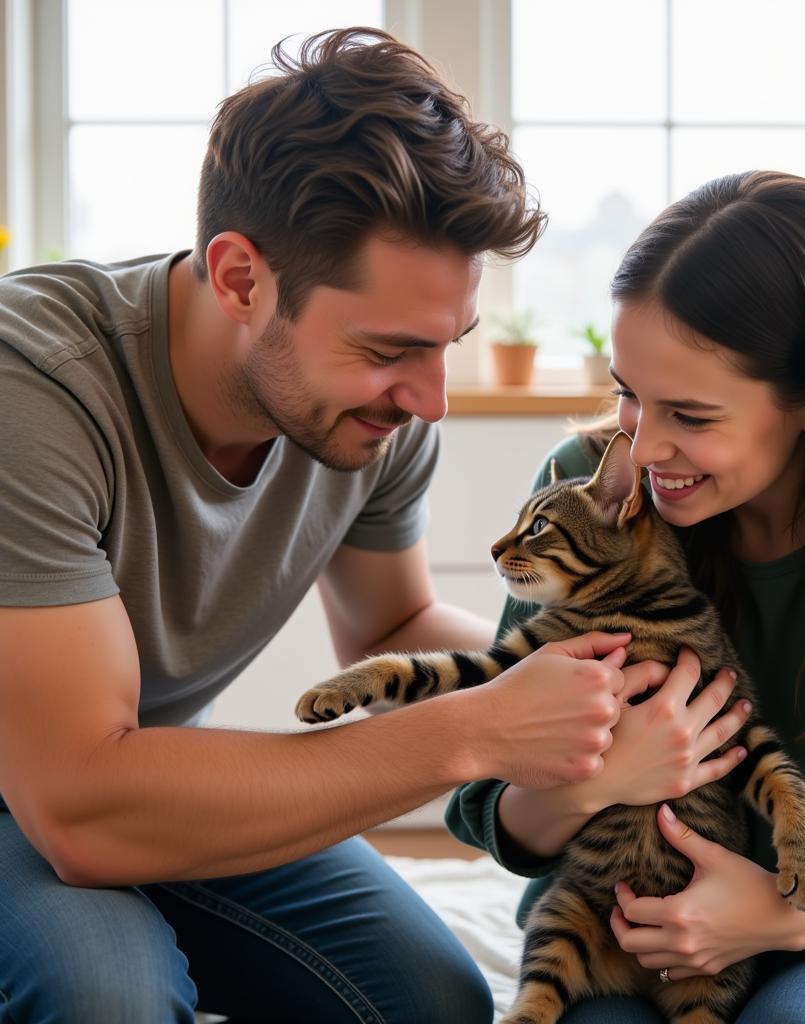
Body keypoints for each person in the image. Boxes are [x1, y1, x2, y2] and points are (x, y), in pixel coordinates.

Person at [0, 28, 666, 1023]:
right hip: (59, 786)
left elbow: (391, 630)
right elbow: (83, 806)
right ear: (239, 279)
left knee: (431, 1002)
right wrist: (476, 731)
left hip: (125, 763)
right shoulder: (35, 387)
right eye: (390, 348)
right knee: (110, 998)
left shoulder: (376, 411)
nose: (432, 398)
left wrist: (591, 679)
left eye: (449, 345)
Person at [449, 171, 805, 1023]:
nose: (643, 448)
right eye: (627, 394)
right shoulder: (585, 494)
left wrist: (790, 915)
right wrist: (591, 785)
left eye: (690, 413)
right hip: (620, 926)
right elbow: (486, 797)